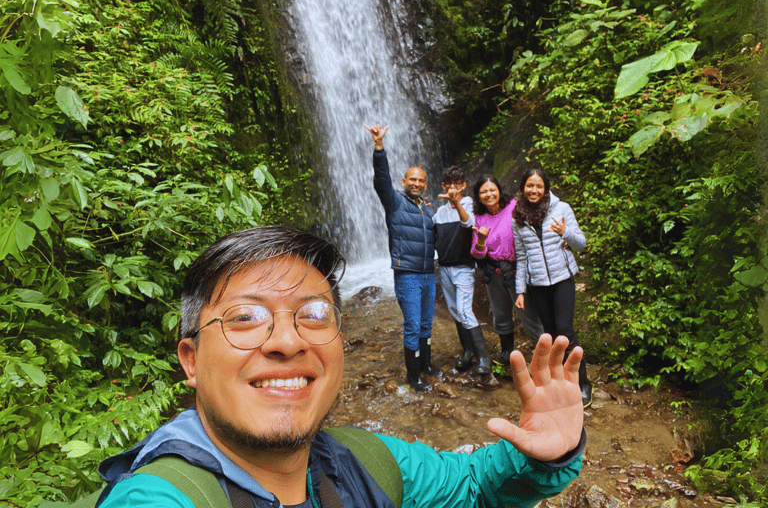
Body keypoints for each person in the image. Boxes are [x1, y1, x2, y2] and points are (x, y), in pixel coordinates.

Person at [94, 225, 586, 507]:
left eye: (313, 314)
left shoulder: (365, 461)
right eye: (246, 317)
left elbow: (475, 485)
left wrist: (543, 454)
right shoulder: (164, 497)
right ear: (192, 360)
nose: (287, 340)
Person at [365, 123, 437, 392]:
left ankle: (427, 365)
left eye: (421, 180)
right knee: (413, 325)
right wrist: (379, 146)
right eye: (412, 180)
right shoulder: (395, 202)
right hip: (407, 273)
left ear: (425, 184)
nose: (417, 184)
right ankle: (414, 376)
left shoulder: (426, 211)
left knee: (427, 323)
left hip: (429, 273)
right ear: (404, 182)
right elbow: (381, 179)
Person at [512, 169, 592, 408]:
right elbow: (522, 256)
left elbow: (581, 243)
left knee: (565, 331)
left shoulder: (562, 208)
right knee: (549, 334)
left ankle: (584, 383)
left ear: (545, 188)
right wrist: (520, 291)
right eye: (529, 185)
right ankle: (560, 382)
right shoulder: (518, 215)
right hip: (537, 283)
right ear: (523, 187)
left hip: (561, 279)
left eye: (538, 186)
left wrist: (564, 232)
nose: (533, 190)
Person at [470, 174, 545, 367]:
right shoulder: (479, 217)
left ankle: (544, 358)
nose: (489, 194)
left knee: (528, 315)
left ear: (499, 190)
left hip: (517, 269)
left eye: (492, 189)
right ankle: (506, 354)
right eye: (483, 192)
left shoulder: (514, 207)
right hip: (493, 270)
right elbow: (477, 254)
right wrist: (480, 240)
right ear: (478, 196)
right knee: (500, 314)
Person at [432, 165, 492, 375]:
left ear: (464, 185)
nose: (452, 188)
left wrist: (456, 202)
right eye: (448, 184)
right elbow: (431, 236)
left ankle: (484, 359)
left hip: (464, 268)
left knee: (465, 311)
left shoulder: (469, 205)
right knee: (456, 311)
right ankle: (468, 352)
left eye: (457, 184)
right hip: (445, 268)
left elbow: (468, 223)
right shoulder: (439, 212)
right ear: (443, 186)